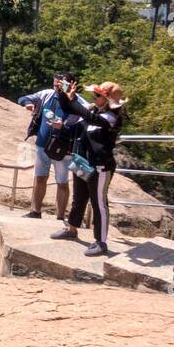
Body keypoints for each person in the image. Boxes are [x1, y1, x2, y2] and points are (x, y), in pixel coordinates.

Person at [54, 81, 125, 257]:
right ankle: (71, 228)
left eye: (98, 95)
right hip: (82, 161)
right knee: (79, 198)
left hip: (100, 165)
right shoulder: (93, 111)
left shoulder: (112, 117)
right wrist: (63, 94)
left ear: (108, 100)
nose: (94, 98)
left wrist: (73, 101)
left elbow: (88, 117)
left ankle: (101, 242)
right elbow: (74, 114)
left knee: (99, 203)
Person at [17, 73, 78, 221]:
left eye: (60, 83)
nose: (56, 86)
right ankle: (35, 211)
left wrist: (63, 126)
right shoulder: (47, 95)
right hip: (42, 144)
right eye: (55, 83)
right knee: (39, 177)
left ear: (71, 85)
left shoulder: (77, 102)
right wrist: (27, 104)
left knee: (62, 182)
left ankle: (60, 217)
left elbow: (79, 126)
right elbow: (24, 98)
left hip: (63, 148)